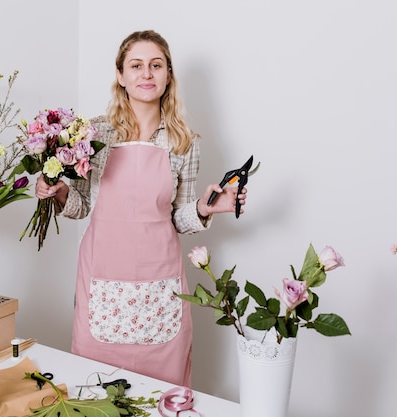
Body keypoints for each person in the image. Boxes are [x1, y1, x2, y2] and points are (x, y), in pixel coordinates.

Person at [35, 30, 247, 387]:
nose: (146, 74)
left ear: (168, 76)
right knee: (94, 390)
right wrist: (57, 192)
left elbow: (178, 216)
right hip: (102, 279)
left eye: (156, 65)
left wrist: (208, 208)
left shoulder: (184, 142)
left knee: (161, 394)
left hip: (160, 283)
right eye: (136, 66)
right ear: (121, 76)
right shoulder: (93, 134)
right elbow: (82, 205)